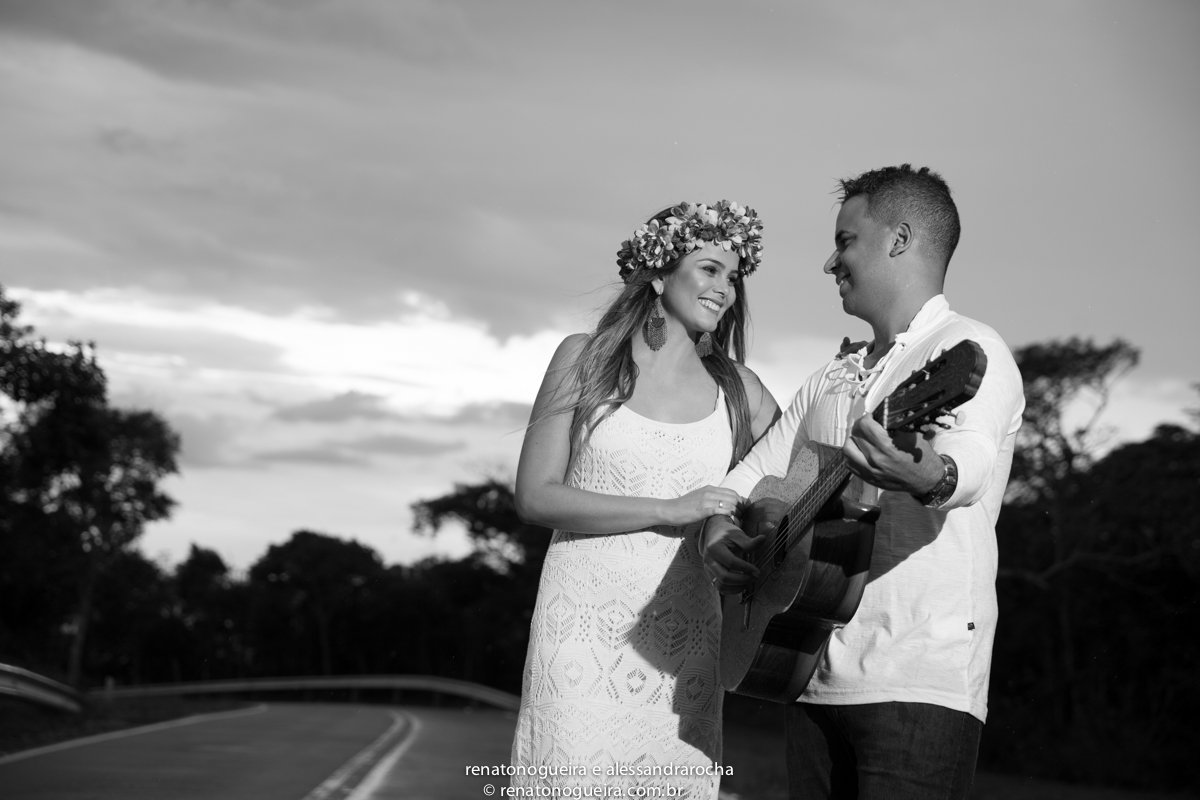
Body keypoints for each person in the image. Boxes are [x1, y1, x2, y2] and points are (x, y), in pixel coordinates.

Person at [700, 165, 1025, 799]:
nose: (830, 262)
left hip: (918, 677)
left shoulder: (966, 347)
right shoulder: (833, 374)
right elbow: (751, 475)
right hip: (807, 665)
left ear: (898, 240)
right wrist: (719, 530)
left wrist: (931, 474)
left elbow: (971, 460)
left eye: (846, 241)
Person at [509, 201, 780, 798]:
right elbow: (534, 496)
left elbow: (794, 480)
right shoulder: (585, 358)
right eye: (709, 269)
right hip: (577, 636)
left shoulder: (743, 392)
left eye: (733, 277)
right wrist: (669, 509)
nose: (725, 289)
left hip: (684, 650)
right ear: (659, 272)